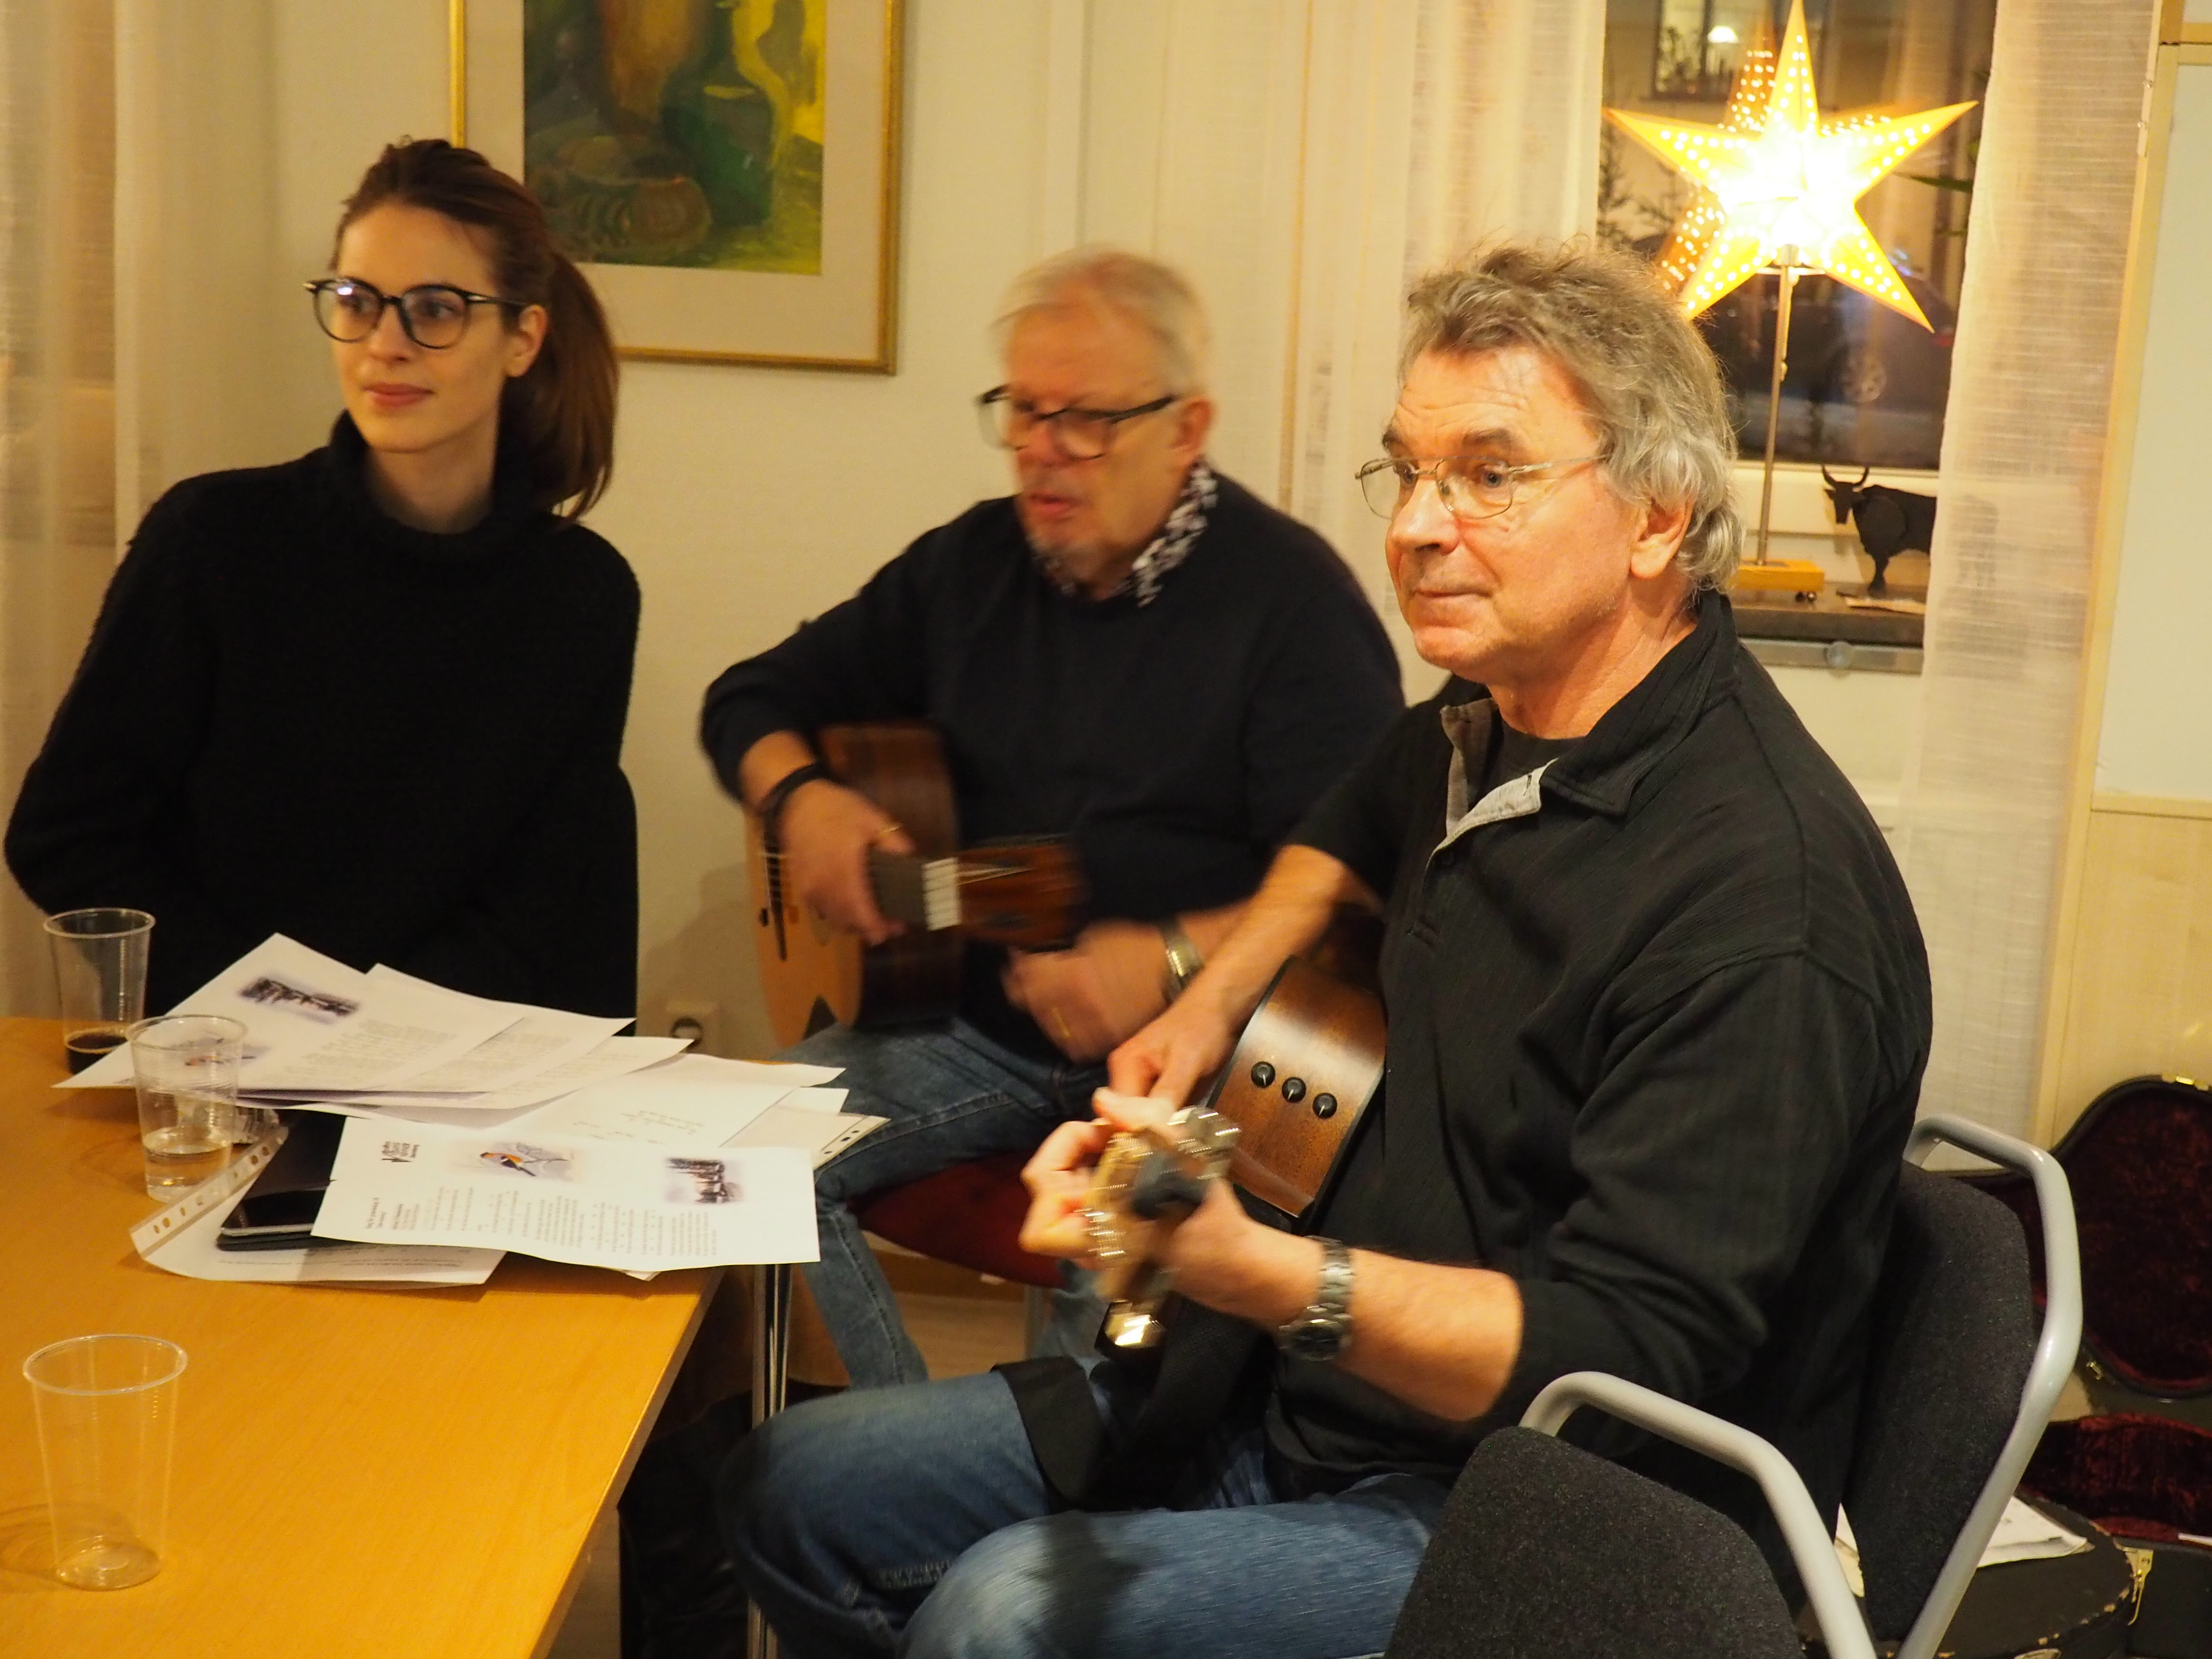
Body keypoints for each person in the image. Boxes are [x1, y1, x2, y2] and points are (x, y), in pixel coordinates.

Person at [718, 240, 1933, 1659]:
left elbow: (1625, 1361)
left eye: (1489, 475)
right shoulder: (1488, 722)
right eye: (1408, 472)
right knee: (789, 1485)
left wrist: (1257, 1272)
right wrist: (1202, 1008)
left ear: (1658, 518)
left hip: (1547, 1518)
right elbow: (1344, 824)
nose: (1417, 526)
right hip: (1294, 1394)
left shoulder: (1763, 907)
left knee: (1003, 1616)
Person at [700, 248, 1404, 1388]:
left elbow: (1363, 881)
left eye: (1085, 421)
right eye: (1024, 411)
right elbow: (751, 699)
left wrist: (1169, 960)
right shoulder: (972, 565)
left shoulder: (1291, 606)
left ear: (1186, 429)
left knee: (1113, 1324)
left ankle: (1027, 1473)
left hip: (1196, 1068)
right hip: (968, 1027)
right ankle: (896, 1452)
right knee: (735, 1152)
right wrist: (803, 799)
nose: (1041, 448)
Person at [6, 139, 638, 1018]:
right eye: (357, 302)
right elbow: (68, 835)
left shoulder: (581, 596)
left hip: (454, 1064)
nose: (385, 344)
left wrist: (379, 1035)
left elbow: (540, 904)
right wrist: (281, 1010)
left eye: (435, 310)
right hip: (224, 1052)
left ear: (523, 339)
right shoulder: (214, 541)